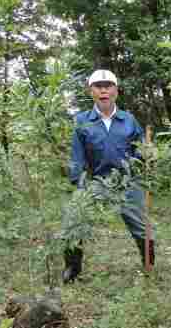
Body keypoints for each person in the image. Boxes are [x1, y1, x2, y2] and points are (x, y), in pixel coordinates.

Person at [62, 69, 155, 283]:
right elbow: (77, 156)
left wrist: (147, 156)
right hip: (97, 182)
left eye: (108, 86)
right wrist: (79, 183)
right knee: (73, 221)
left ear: (116, 91)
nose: (103, 90)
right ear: (91, 91)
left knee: (143, 227)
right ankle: (72, 270)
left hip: (127, 182)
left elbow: (141, 150)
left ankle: (149, 267)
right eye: (98, 86)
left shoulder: (128, 120)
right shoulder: (82, 121)